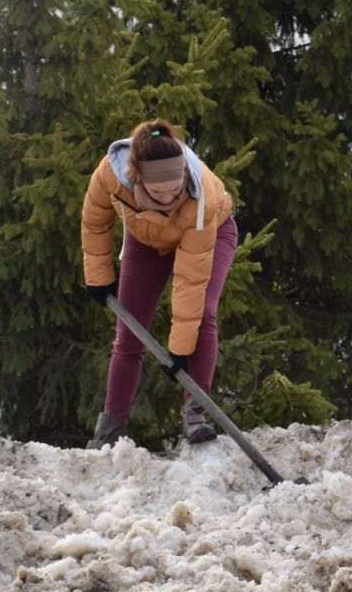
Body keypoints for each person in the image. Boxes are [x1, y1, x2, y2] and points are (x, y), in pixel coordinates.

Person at [81, 119, 236, 449]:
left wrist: (179, 350)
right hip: (146, 238)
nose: (168, 197)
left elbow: (190, 282)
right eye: (157, 192)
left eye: (174, 189)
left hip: (210, 231)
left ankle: (195, 414)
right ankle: (109, 431)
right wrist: (98, 277)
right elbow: (95, 221)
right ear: (138, 179)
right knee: (129, 329)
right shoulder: (111, 175)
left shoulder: (200, 197)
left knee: (203, 314)